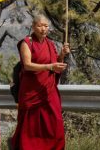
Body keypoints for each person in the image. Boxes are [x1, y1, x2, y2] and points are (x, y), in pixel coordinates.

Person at [11, 15, 70, 150]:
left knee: (55, 123)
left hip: (48, 90)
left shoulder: (50, 44)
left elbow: (56, 63)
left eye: (46, 26)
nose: (43, 29)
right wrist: (49, 67)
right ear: (33, 26)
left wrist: (62, 55)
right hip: (31, 91)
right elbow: (27, 65)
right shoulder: (27, 42)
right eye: (40, 25)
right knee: (30, 128)